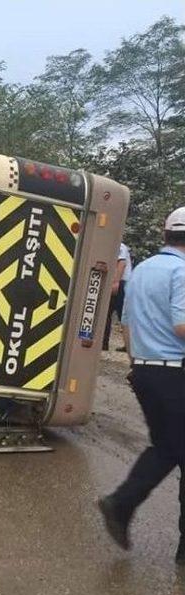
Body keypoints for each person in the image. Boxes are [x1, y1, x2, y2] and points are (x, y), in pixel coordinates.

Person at [98, 207, 185, 566]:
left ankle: (122, 504)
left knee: (167, 448)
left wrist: (137, 364)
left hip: (147, 372)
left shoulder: (146, 269)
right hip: (175, 373)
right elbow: (182, 326)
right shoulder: (182, 272)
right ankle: (121, 503)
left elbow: (128, 326)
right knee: (171, 448)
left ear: (165, 235)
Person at [102, 242, 132, 351]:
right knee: (107, 313)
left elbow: (121, 263)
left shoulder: (119, 245)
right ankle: (103, 343)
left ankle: (129, 345)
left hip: (122, 283)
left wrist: (116, 283)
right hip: (118, 282)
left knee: (123, 315)